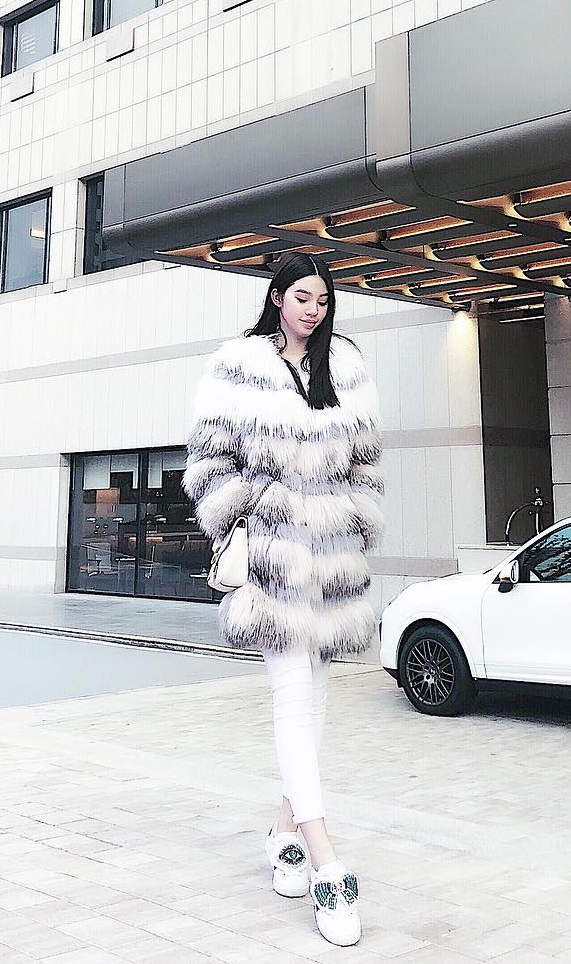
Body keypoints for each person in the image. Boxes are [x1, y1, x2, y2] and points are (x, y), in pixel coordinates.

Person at [183, 251, 384, 948]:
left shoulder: (346, 366)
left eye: (322, 300)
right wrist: (252, 504)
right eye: (302, 297)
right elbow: (207, 462)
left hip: (333, 557)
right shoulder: (237, 365)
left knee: (316, 701)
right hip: (273, 556)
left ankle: (283, 827)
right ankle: (327, 859)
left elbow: (366, 461)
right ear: (276, 297)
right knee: (293, 697)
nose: (313, 310)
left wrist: (357, 519)